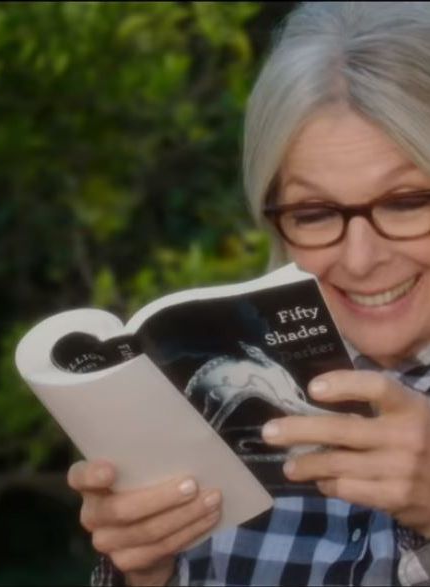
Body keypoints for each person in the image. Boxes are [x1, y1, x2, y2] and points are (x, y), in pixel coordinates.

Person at [67, 2, 430, 585]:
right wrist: (146, 570)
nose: (361, 259)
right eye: (314, 213)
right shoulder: (218, 388)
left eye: (408, 203)